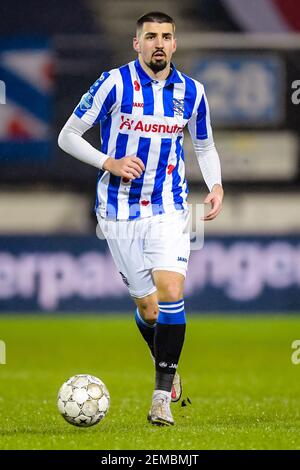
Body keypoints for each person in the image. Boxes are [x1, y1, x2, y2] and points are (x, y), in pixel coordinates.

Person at [58, 11, 223, 426]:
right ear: (137, 44)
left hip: (169, 207)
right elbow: (68, 136)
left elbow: (203, 145)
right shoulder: (114, 83)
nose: (159, 44)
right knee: (149, 310)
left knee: (171, 290)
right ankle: (166, 358)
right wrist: (108, 161)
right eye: (150, 36)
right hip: (117, 211)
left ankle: (161, 397)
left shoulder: (192, 91)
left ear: (175, 43)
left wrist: (216, 185)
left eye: (166, 36)